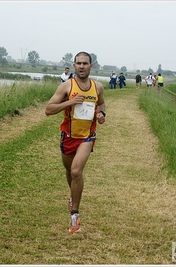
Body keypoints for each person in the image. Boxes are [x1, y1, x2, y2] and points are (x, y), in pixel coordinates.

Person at [45, 51, 106, 233]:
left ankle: (75, 215)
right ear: (74, 65)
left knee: (76, 171)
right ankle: (73, 195)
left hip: (87, 136)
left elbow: (101, 103)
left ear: (91, 66)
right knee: (69, 171)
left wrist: (102, 114)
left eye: (85, 63)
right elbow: (48, 110)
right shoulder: (66, 87)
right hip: (68, 136)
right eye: (78, 63)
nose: (81, 66)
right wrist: (69, 103)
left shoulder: (98, 87)